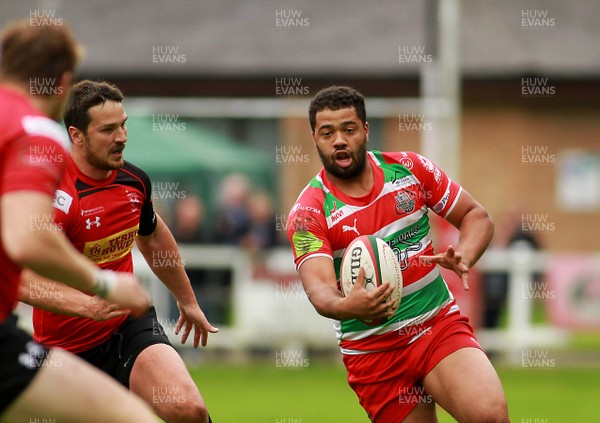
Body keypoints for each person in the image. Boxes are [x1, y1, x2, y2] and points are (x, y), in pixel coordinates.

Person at [286, 86, 510, 422]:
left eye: (348, 129)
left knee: (489, 415)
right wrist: (347, 305)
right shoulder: (308, 213)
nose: (339, 141)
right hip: (374, 352)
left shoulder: (409, 170)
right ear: (315, 138)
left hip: (435, 325)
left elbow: (475, 216)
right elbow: (319, 290)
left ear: (365, 129)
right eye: (327, 133)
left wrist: (464, 253)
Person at [19, 80, 218, 423]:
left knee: (188, 410)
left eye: (123, 124)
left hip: (128, 326)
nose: (122, 136)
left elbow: (153, 237)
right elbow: (23, 280)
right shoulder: (54, 195)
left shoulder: (133, 181)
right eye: (108, 129)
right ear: (76, 135)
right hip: (65, 349)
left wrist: (187, 300)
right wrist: (88, 305)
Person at [0, 20, 158, 422]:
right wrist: (105, 284)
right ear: (62, 82)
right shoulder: (34, 131)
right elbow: (27, 239)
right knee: (134, 417)